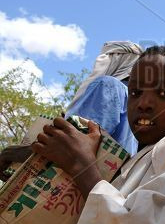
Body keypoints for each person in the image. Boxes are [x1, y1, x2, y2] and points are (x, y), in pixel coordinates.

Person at [31, 46, 165, 224]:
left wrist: (83, 167)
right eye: (136, 93)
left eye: (164, 93)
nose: (144, 104)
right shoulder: (134, 162)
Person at [0, 41, 142, 181]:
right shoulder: (133, 103)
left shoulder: (108, 85)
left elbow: (69, 145)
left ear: (117, 61)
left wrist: (13, 154)